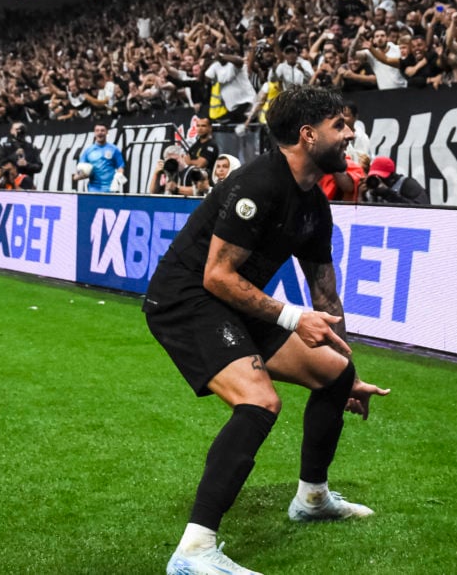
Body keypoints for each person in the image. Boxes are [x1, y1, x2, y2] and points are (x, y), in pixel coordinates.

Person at [143, 86, 390, 575]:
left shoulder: (314, 205)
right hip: (185, 297)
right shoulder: (260, 183)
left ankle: (313, 499)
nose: (350, 134)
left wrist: (348, 371)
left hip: (233, 299)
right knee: (259, 402)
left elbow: (327, 300)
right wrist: (292, 317)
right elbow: (215, 275)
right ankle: (193, 553)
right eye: (339, 126)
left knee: (334, 372)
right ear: (307, 134)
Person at [73, 121, 126, 193]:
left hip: (111, 190)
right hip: (93, 190)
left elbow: (120, 167)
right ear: (94, 133)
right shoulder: (88, 151)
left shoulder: (114, 149)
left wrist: (118, 177)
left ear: (107, 132)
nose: (100, 133)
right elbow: (79, 172)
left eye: (102, 130)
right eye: (97, 130)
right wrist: (81, 175)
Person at [360, 156, 430, 205]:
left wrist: (388, 194)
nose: (379, 180)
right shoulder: (373, 186)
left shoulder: (408, 185)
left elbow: (422, 211)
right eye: (375, 176)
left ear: (392, 176)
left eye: (382, 177)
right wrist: (362, 196)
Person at [0, 122, 43, 186]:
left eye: (19, 129)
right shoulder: (4, 146)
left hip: (26, 185)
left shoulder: (32, 147)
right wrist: (14, 156)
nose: (12, 131)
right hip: (8, 185)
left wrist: (27, 164)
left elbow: (39, 166)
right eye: (13, 129)